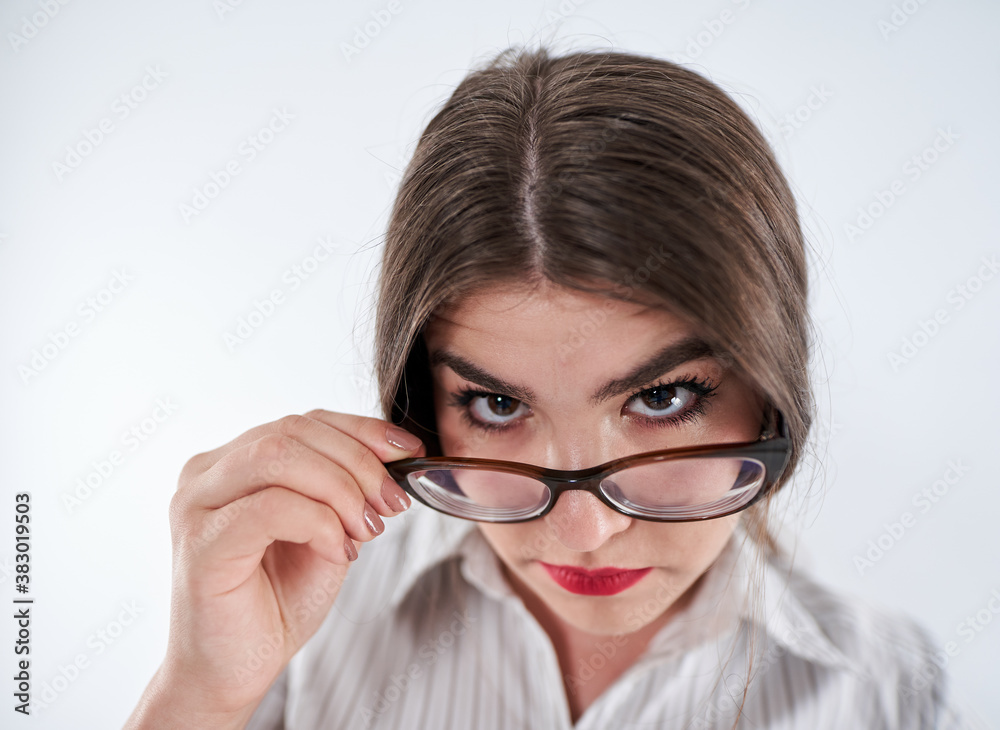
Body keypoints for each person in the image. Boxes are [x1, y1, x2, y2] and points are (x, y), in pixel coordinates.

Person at [125, 45, 981, 729]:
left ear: (772, 390)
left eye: (662, 399)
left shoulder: (886, 691)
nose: (584, 530)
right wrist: (201, 696)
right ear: (422, 404)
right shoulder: (307, 618)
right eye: (497, 405)